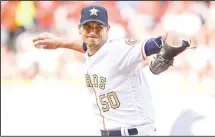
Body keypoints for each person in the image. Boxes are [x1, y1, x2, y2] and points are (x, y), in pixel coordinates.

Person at [33, 5, 191, 136]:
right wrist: (60, 43)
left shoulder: (119, 49)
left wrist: (171, 49)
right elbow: (86, 47)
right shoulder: (93, 51)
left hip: (132, 132)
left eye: (98, 27)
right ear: (80, 29)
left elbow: (167, 38)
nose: (93, 31)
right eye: (88, 27)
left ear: (107, 29)